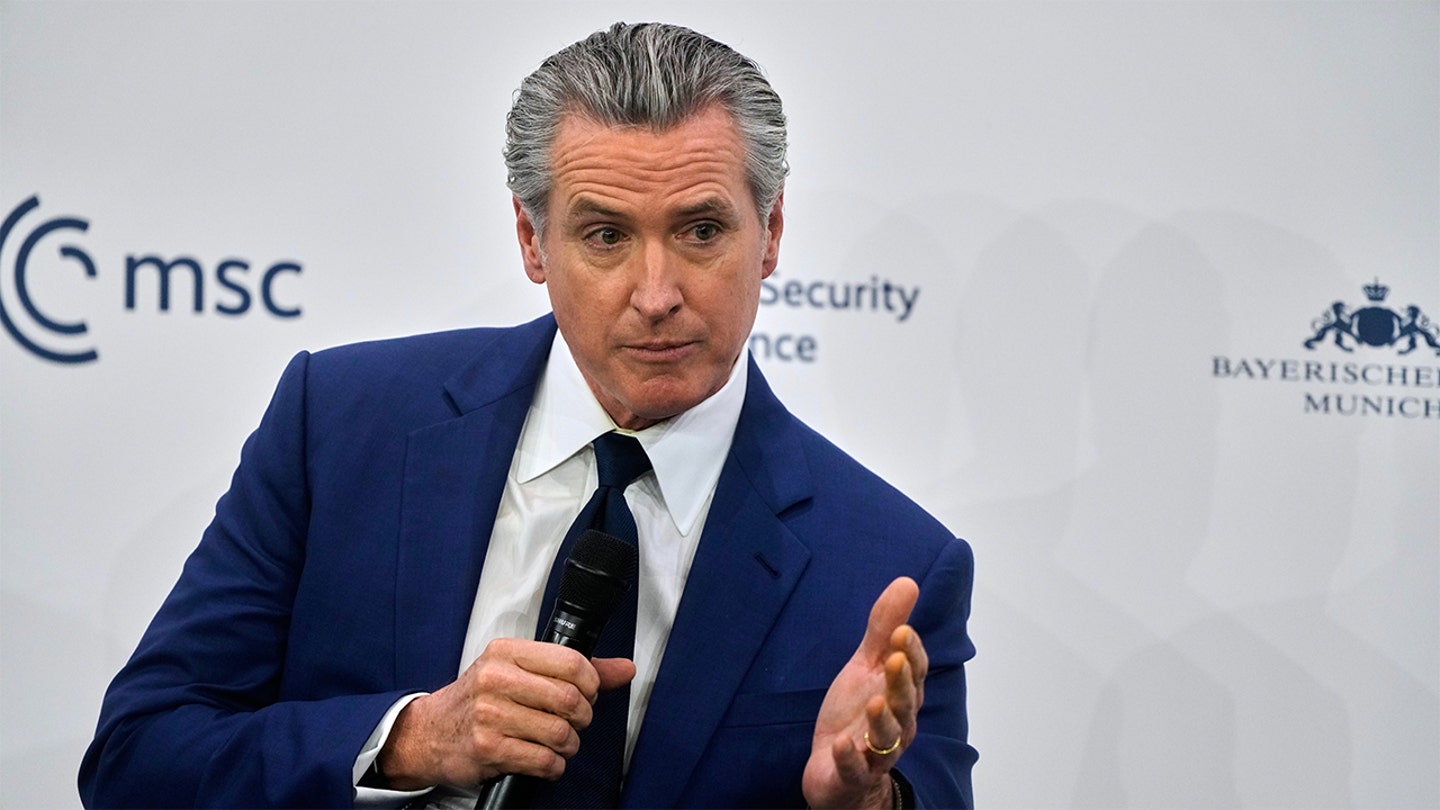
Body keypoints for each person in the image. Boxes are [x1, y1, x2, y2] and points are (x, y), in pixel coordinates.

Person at [79, 22, 976, 809]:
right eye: (606, 236)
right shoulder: (342, 427)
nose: (656, 294)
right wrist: (411, 740)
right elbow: (137, 757)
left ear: (771, 233)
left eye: (702, 231)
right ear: (530, 240)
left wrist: (864, 803)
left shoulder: (889, 565)